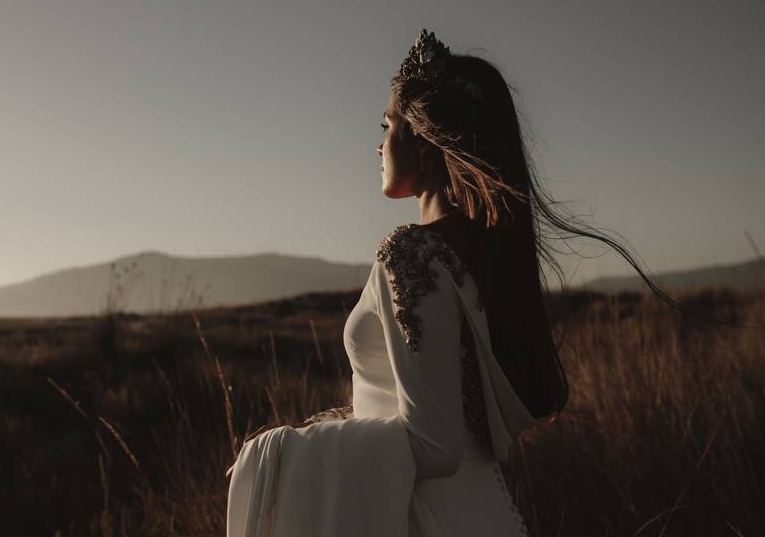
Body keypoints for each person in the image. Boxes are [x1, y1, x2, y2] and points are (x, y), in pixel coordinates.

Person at [224, 28, 692, 536]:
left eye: (387, 126)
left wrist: (280, 452)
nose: (377, 145)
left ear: (424, 143)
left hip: (422, 517)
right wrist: (327, 426)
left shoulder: (410, 253)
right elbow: (438, 410)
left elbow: (433, 446)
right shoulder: (486, 252)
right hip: (482, 511)